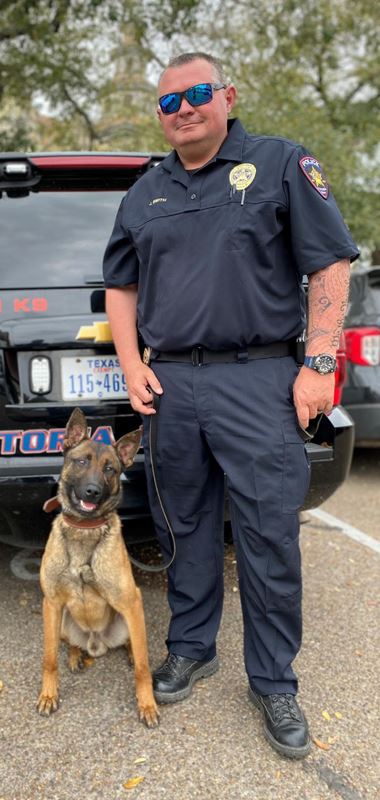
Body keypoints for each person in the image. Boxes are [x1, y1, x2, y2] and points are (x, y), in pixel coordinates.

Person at [102, 51, 359, 759]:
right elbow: (120, 284)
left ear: (226, 95)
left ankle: (274, 681)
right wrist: (130, 363)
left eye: (197, 93)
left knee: (267, 534)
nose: (183, 108)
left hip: (260, 380)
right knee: (181, 525)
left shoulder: (279, 164)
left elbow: (329, 263)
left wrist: (318, 362)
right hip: (172, 387)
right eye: (168, 101)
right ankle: (191, 647)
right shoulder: (144, 192)